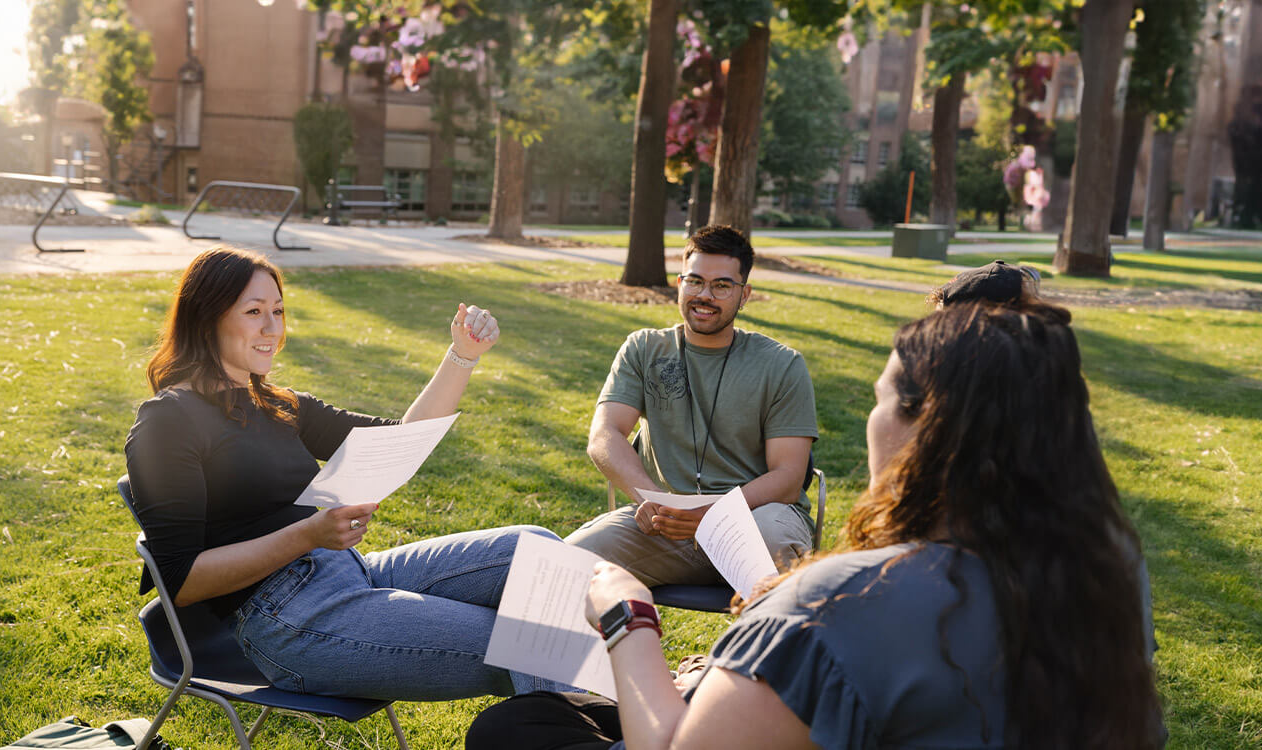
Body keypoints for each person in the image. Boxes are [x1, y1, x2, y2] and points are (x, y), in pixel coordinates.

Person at [467, 301, 1164, 750]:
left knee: (511, 734)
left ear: (929, 428)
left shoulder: (838, 602)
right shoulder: (1109, 570)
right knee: (529, 718)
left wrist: (629, 616)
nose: (870, 419)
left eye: (880, 399)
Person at [124, 246, 570, 701]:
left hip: (348, 573)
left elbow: (403, 440)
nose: (272, 328)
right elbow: (182, 581)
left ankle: (584, 723)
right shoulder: (169, 421)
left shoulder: (279, 404)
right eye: (254, 311)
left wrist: (462, 354)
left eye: (278, 311)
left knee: (544, 557)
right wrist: (307, 534)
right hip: (285, 618)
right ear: (206, 319)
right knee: (532, 640)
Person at [565, 225, 819, 587]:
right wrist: (648, 500)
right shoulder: (643, 348)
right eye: (695, 281)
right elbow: (605, 435)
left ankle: (757, 645)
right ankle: (624, 645)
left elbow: (789, 479)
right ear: (680, 283)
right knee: (566, 564)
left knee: (774, 542)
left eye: (722, 286)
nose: (705, 295)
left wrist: (715, 513)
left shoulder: (782, 364)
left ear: (744, 295)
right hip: (666, 524)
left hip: (754, 519)